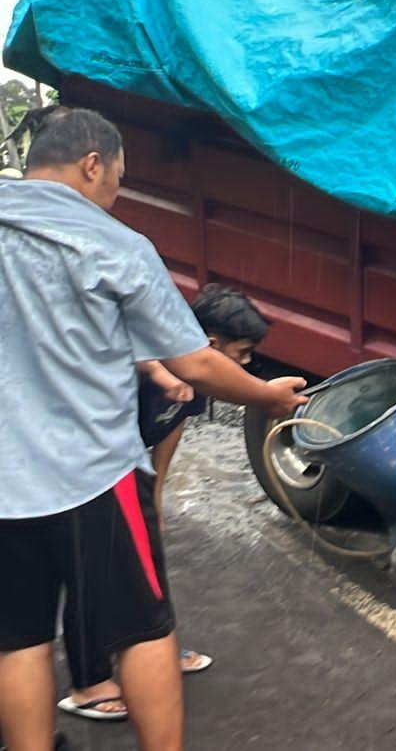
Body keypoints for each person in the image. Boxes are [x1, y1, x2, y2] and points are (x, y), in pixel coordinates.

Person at [0, 108, 307, 751]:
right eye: (117, 178)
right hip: (94, 474)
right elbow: (195, 361)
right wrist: (267, 396)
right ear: (91, 164)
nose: (116, 192)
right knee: (142, 627)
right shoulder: (115, 243)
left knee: (19, 637)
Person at [58, 285, 273, 723]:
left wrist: (154, 502)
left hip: (129, 477)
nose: (248, 362)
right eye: (243, 352)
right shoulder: (145, 371)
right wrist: (157, 370)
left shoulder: (197, 384)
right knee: (89, 570)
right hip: (83, 476)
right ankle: (87, 682)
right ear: (211, 345)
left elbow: (168, 436)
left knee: (148, 557)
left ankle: (150, 645)